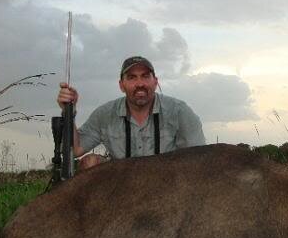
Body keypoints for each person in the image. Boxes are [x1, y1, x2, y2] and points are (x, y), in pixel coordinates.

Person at [57, 56, 205, 169]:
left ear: (155, 81)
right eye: (132, 77)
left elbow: (199, 159)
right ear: (121, 85)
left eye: (145, 76)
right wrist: (69, 111)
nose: (140, 83)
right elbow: (75, 150)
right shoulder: (105, 114)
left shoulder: (179, 111)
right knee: (90, 163)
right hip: (123, 186)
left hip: (167, 185)